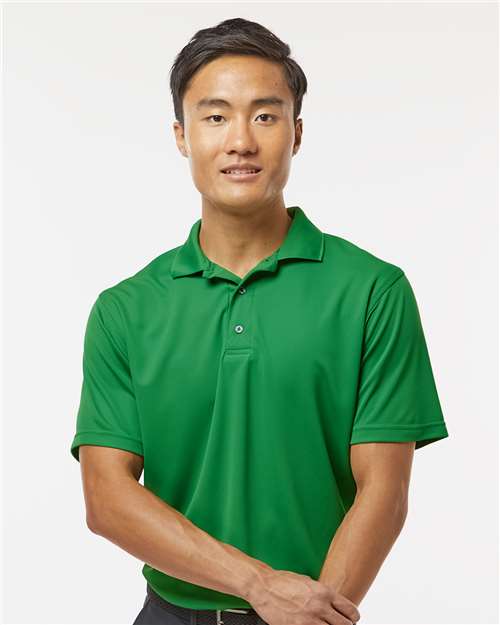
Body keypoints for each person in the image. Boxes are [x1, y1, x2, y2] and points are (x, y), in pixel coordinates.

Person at [70, 17, 449, 625]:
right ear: (182, 135)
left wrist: (311, 612)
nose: (241, 141)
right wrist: (258, 585)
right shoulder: (126, 308)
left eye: (265, 116)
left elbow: (385, 491)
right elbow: (106, 498)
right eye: (215, 117)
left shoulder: (373, 291)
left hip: (318, 613)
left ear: (296, 134)